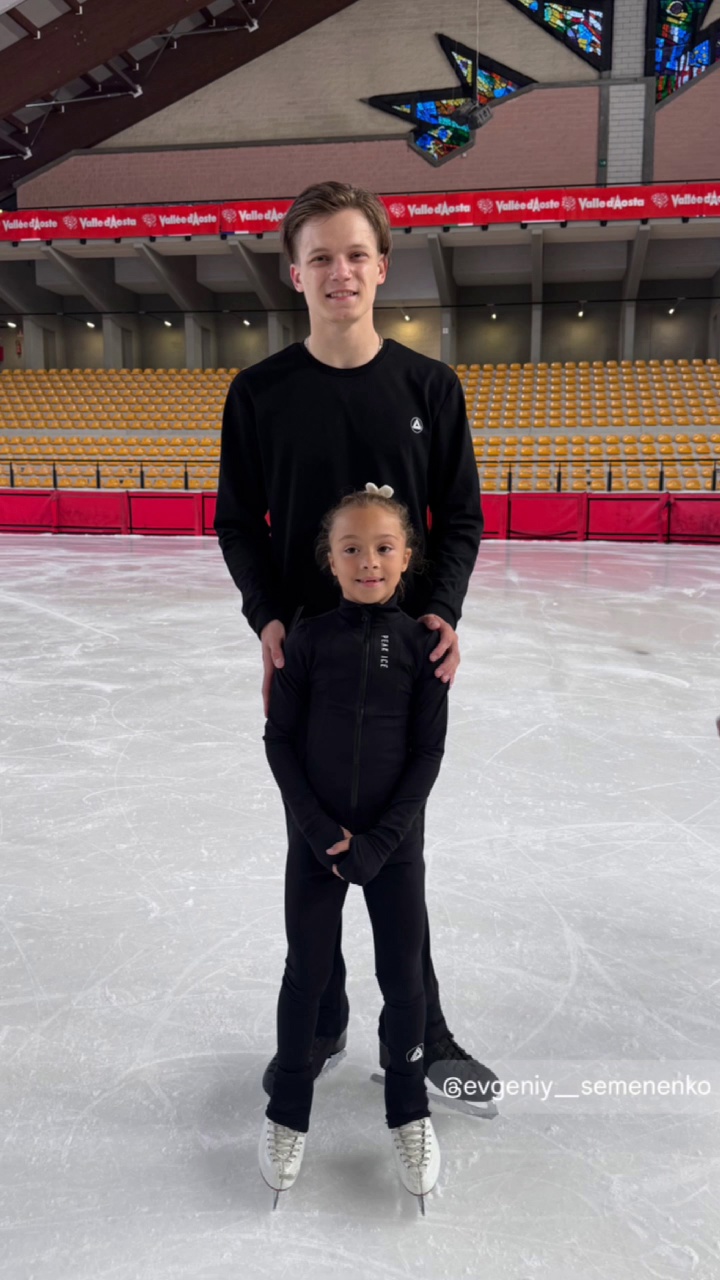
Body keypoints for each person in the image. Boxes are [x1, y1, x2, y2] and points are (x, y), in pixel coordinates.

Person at [214, 179, 498, 1120]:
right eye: (321, 257)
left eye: (355, 254)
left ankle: (422, 1031)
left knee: (397, 842)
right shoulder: (260, 394)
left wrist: (443, 610)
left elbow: (460, 518)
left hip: (404, 661)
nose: (340, 271)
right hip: (307, 658)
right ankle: (324, 1015)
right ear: (294, 274)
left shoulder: (430, 388)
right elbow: (237, 523)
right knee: (313, 833)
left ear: (382, 267)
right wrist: (268, 618)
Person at [259, 483, 445, 1205]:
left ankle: (409, 1111)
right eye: (351, 548)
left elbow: (427, 754)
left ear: (406, 557)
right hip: (318, 843)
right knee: (306, 973)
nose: (369, 561)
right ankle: (287, 1113)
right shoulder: (306, 642)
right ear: (330, 560)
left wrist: (380, 843)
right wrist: (320, 833)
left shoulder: (424, 648)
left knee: (403, 979)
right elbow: (280, 742)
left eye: (383, 547)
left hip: (393, 846)